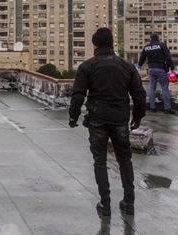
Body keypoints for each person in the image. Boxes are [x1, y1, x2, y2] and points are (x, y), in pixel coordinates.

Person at [69, 27, 146, 216]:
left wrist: (73, 116)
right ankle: (129, 202)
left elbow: (78, 94)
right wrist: (137, 117)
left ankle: (105, 204)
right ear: (112, 43)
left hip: (98, 119)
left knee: (100, 161)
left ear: (94, 44)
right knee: (125, 161)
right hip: (120, 119)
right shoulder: (127, 66)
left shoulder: (87, 66)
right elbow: (139, 94)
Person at [137, 33, 176, 114]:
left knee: (152, 88)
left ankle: (152, 108)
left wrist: (139, 66)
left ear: (150, 39)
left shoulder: (147, 47)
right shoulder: (162, 45)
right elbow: (168, 57)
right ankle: (167, 108)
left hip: (151, 69)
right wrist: (172, 68)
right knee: (164, 88)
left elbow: (142, 57)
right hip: (161, 68)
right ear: (158, 38)